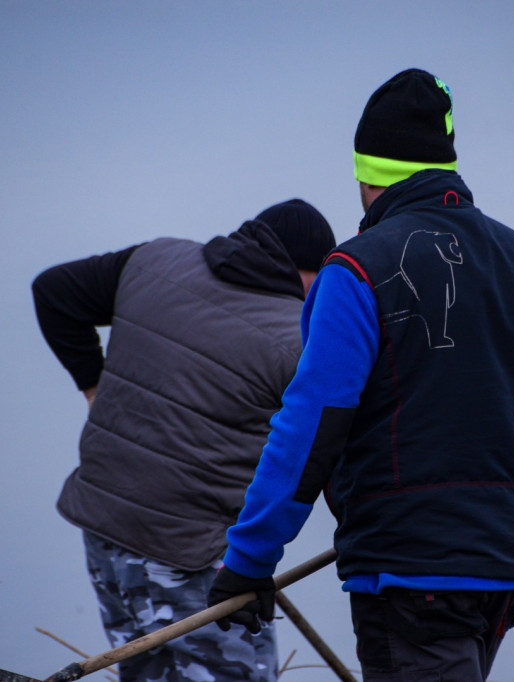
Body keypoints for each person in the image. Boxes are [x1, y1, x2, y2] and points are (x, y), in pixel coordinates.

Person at [207, 68, 514, 681]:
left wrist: (250, 558)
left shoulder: (356, 269)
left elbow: (311, 428)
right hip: (506, 567)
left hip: (410, 573)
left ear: (365, 176)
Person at [31, 199, 336, 682]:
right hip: (187, 555)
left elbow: (53, 291)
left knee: (147, 674)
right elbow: (330, 448)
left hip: (102, 530)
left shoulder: (155, 260)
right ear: (309, 272)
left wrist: (94, 386)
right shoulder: (296, 337)